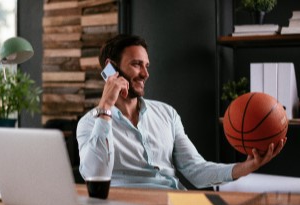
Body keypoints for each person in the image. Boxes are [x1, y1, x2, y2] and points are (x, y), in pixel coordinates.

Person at [76, 34, 286, 190]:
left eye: (147, 65)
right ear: (110, 68)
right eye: (136, 65)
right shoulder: (89, 123)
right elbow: (94, 174)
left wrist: (246, 166)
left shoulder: (167, 114)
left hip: (176, 201)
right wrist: (105, 107)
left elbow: (195, 170)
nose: (145, 74)